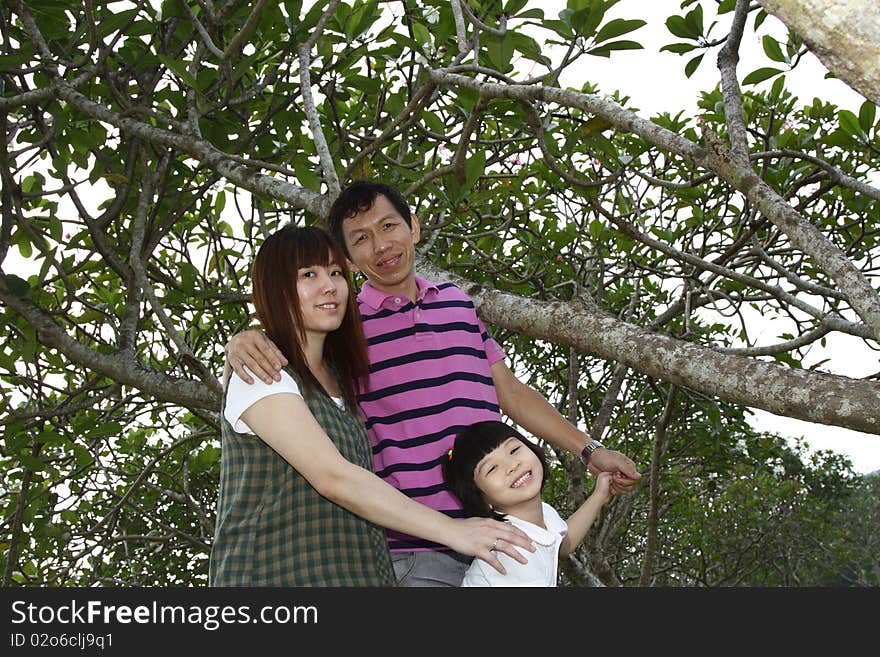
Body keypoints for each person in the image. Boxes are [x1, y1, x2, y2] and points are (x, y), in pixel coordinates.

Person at [224, 181, 641, 587]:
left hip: (499, 534)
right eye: (361, 239)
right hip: (413, 548)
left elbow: (509, 392)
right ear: (352, 258)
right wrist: (245, 340)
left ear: (414, 227)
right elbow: (296, 363)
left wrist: (589, 449)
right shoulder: (344, 331)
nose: (381, 245)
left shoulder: (458, 305)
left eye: (389, 226)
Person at [209, 225, 534, 586]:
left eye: (335, 272)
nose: (329, 285)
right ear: (274, 289)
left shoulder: (341, 379)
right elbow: (333, 477)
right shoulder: (262, 371)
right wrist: (454, 531)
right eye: (308, 275)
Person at [443, 420, 612, 587]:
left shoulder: (544, 514)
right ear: (481, 499)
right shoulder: (513, 551)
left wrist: (599, 495)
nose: (512, 465)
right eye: (492, 468)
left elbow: (563, 544)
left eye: (514, 450)